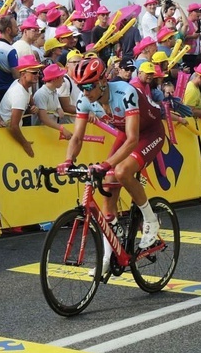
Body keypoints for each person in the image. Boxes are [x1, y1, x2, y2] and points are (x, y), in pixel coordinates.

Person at [59, 58, 166, 275]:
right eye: (81, 87)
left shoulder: (125, 92)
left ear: (102, 81)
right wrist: (68, 160)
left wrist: (107, 163)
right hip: (126, 133)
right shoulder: (84, 99)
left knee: (121, 171)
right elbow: (77, 137)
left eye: (89, 86)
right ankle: (110, 254)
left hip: (149, 133)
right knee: (107, 185)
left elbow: (133, 139)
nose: (85, 91)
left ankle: (151, 220)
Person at [33, 63, 71, 138]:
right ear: (55, 79)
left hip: (49, 133)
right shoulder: (41, 94)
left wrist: (59, 108)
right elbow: (44, 118)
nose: (63, 81)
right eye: (62, 78)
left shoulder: (54, 91)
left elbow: (57, 106)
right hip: (41, 135)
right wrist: (62, 129)